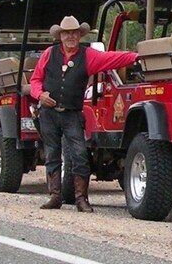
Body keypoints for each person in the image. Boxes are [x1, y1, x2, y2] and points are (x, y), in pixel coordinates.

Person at [30, 15, 138, 212]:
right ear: (60, 36)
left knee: (80, 155)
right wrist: (40, 95)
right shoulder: (49, 54)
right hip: (49, 113)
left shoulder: (88, 55)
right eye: (66, 33)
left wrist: (136, 57)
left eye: (74, 33)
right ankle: (55, 196)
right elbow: (35, 80)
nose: (70, 36)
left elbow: (112, 58)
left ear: (79, 35)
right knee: (52, 155)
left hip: (72, 114)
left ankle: (81, 199)